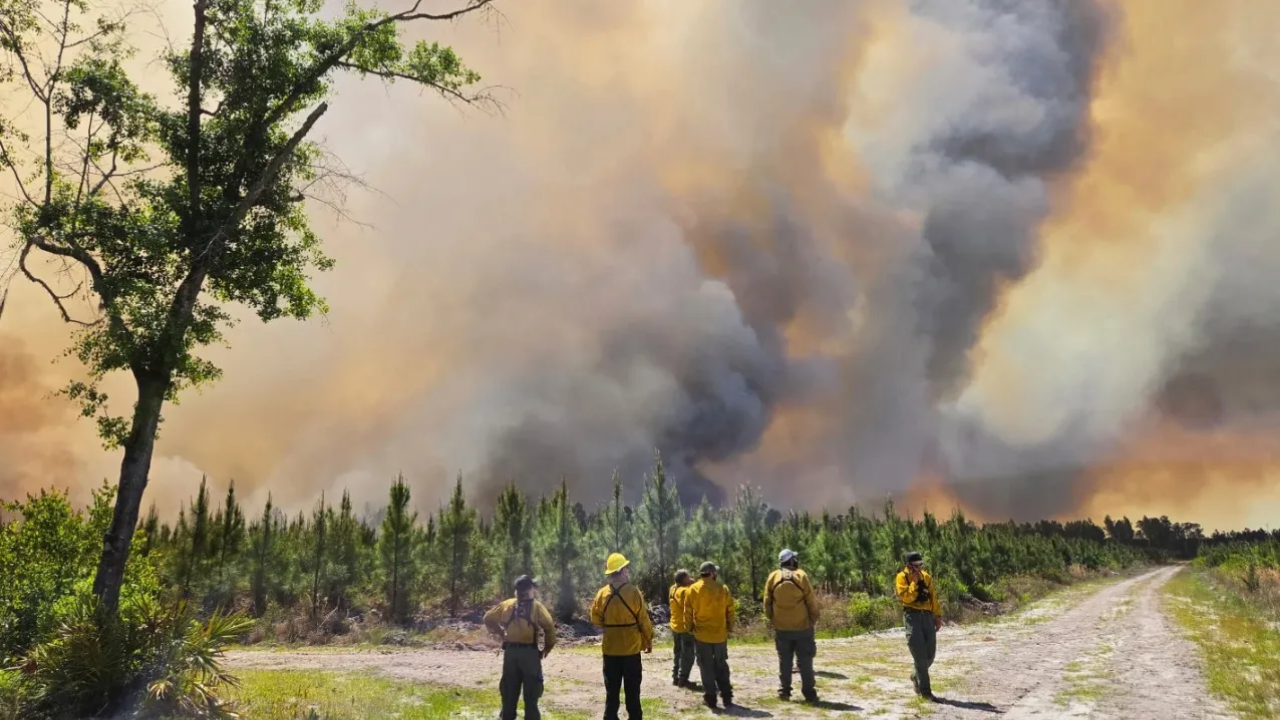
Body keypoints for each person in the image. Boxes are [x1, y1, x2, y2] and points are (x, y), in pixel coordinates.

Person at [483, 575, 558, 720]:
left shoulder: (507, 605)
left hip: (510, 653)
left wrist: (501, 633)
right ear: (531, 589)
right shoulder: (536, 607)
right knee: (531, 695)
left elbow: (488, 618)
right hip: (530, 654)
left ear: (516, 590)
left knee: (509, 694)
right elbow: (549, 628)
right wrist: (547, 648)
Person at [590, 552, 654, 720]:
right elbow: (643, 620)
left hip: (610, 650)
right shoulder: (634, 592)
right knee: (633, 691)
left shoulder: (602, 593)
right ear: (623, 570)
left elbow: (595, 618)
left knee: (612, 692)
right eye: (626, 568)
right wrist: (648, 640)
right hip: (631, 650)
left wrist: (610, 626)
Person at [764, 548, 820, 703]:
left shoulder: (773, 577)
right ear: (791, 560)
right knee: (805, 662)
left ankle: (784, 691)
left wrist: (774, 619)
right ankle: (809, 693)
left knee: (785, 661)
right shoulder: (801, 575)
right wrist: (812, 620)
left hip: (781, 628)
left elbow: (767, 603)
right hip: (802, 628)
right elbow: (811, 602)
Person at [684, 561, 735, 710]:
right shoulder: (723, 589)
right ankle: (726, 696)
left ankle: (711, 698)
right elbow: (730, 610)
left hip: (702, 636)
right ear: (712, 573)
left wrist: (689, 628)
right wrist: (730, 627)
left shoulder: (693, 590)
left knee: (705, 666)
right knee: (721, 664)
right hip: (720, 635)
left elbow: (687, 612)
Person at [895, 551, 943, 701]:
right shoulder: (902, 577)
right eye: (917, 565)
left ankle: (915, 675)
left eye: (921, 564)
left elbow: (933, 597)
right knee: (920, 656)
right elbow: (906, 598)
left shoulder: (926, 576)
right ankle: (926, 692)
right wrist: (914, 583)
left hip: (927, 616)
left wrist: (937, 615)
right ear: (909, 565)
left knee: (930, 655)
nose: (920, 568)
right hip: (912, 616)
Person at [668, 568, 696, 689]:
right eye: (688, 577)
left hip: (675, 626)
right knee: (688, 655)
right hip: (685, 628)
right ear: (684, 579)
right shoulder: (684, 592)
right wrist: (693, 583)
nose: (690, 578)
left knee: (678, 653)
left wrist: (690, 582)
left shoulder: (673, 588)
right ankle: (683, 679)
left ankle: (676, 677)